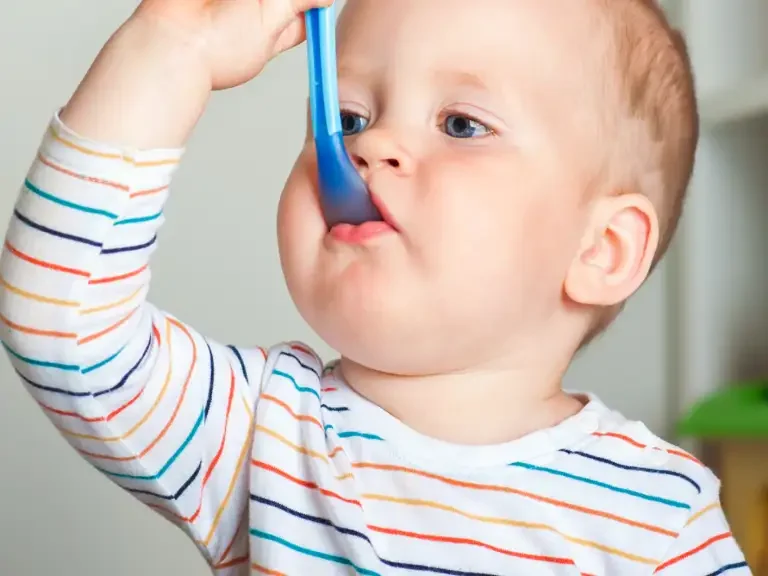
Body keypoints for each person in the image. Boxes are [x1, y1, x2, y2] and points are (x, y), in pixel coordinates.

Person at [0, 0, 751, 574]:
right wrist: (172, 47)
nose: (372, 144)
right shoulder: (264, 431)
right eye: (349, 114)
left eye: (460, 124)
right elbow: (63, 326)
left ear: (602, 248)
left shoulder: (661, 518)